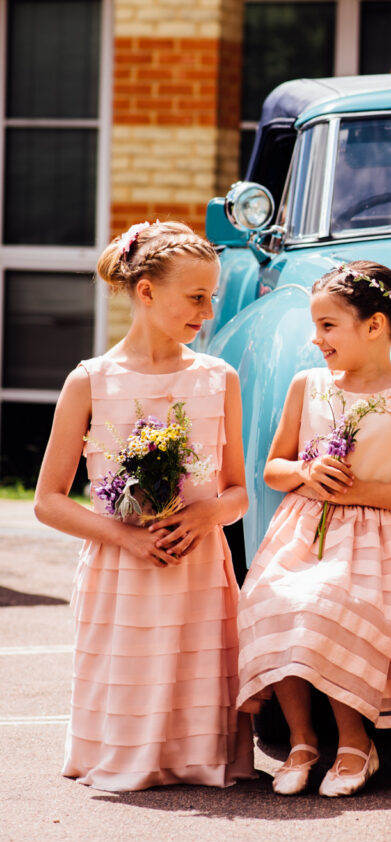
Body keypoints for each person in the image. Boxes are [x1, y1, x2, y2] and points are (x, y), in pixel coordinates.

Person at [33, 221, 255, 791]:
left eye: (212, 297)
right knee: (128, 683)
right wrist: (127, 537)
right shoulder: (89, 382)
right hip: (121, 570)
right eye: (196, 297)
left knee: (194, 674)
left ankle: (198, 753)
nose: (207, 311)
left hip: (199, 568)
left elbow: (237, 492)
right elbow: (48, 502)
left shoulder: (219, 378)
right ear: (148, 291)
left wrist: (208, 515)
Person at [236, 261, 391, 797]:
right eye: (316, 327)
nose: (316, 339)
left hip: (379, 540)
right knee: (271, 600)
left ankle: (356, 740)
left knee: (334, 604)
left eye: (328, 326)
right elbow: (273, 468)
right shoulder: (307, 384)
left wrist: (360, 493)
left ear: (375, 326)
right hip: (305, 527)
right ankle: (302, 739)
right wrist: (308, 474)